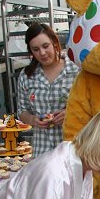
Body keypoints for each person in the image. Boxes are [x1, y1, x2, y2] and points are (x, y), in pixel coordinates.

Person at [17, 23, 79, 157]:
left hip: (73, 148)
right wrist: (33, 119)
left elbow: (92, 106)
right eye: (36, 49)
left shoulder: (76, 70)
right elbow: (22, 111)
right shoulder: (27, 76)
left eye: (46, 46)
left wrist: (70, 113)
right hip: (41, 150)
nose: (42, 53)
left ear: (55, 43)